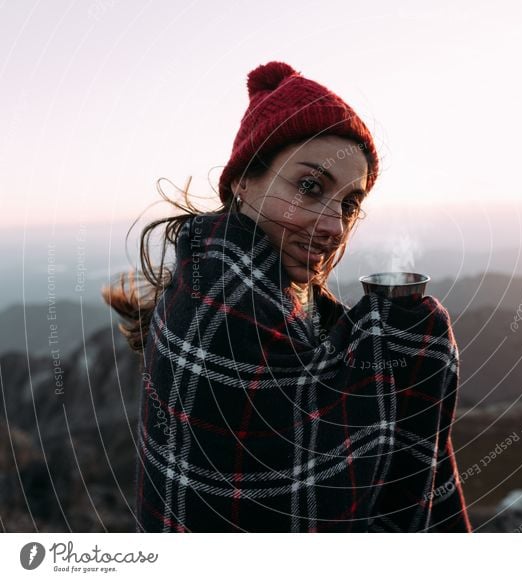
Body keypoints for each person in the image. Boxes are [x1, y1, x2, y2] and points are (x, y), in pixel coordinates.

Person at [103, 60, 471, 532]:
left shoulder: (231, 285)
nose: (335, 227)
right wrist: (416, 343)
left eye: (349, 204)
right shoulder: (222, 309)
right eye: (310, 186)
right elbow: (311, 504)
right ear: (242, 181)